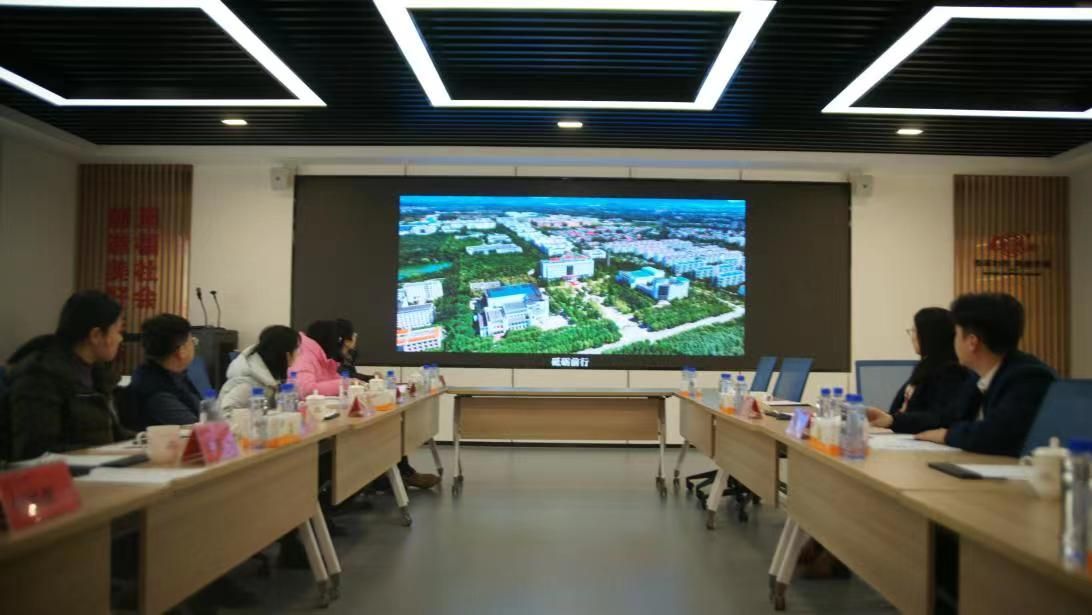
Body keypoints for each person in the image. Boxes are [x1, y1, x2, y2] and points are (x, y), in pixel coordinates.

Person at [914, 293, 1055, 457]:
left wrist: (947, 435)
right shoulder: (978, 377)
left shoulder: (1029, 377)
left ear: (972, 342)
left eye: (956, 334)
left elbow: (997, 434)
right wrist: (897, 421)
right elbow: (947, 417)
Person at [1, 291, 128, 461]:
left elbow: (113, 434)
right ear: (96, 335)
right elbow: (35, 451)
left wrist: (144, 439)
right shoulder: (40, 377)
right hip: (67, 474)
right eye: (118, 331)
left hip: (99, 469)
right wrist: (101, 454)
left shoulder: (98, 375)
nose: (120, 339)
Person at [866, 308, 972, 433]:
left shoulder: (951, 372)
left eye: (915, 331)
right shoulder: (925, 366)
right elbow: (900, 411)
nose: (912, 336)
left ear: (930, 335)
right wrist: (882, 418)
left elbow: (939, 418)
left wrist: (892, 420)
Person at [128, 314, 201, 429]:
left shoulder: (175, 375)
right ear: (181, 351)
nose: (194, 346)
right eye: (192, 341)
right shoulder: (156, 392)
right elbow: (194, 429)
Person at [220, 325, 301, 411]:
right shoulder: (248, 384)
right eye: (296, 348)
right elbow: (225, 412)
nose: (298, 353)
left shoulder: (270, 378)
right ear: (286, 354)